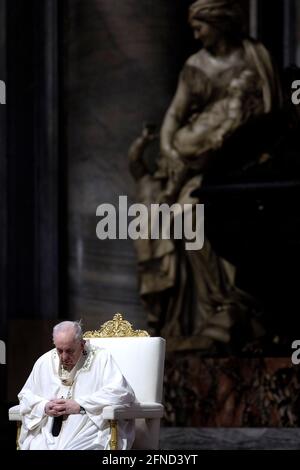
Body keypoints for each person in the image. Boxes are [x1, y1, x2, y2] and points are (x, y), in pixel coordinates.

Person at [129, 0, 281, 352]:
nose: (195, 34)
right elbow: (172, 121)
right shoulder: (195, 66)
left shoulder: (256, 58)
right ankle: (209, 308)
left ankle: (238, 306)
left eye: (200, 26)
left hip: (251, 167)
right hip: (197, 166)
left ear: (219, 21)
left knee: (226, 212)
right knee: (182, 215)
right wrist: (172, 155)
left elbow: (276, 114)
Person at [18, 321, 135, 450]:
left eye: (69, 351)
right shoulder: (44, 361)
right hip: (48, 431)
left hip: (89, 428)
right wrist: (44, 407)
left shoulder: (101, 358)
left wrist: (80, 405)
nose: (64, 357)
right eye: (59, 350)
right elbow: (25, 396)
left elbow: (122, 392)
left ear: (82, 344)